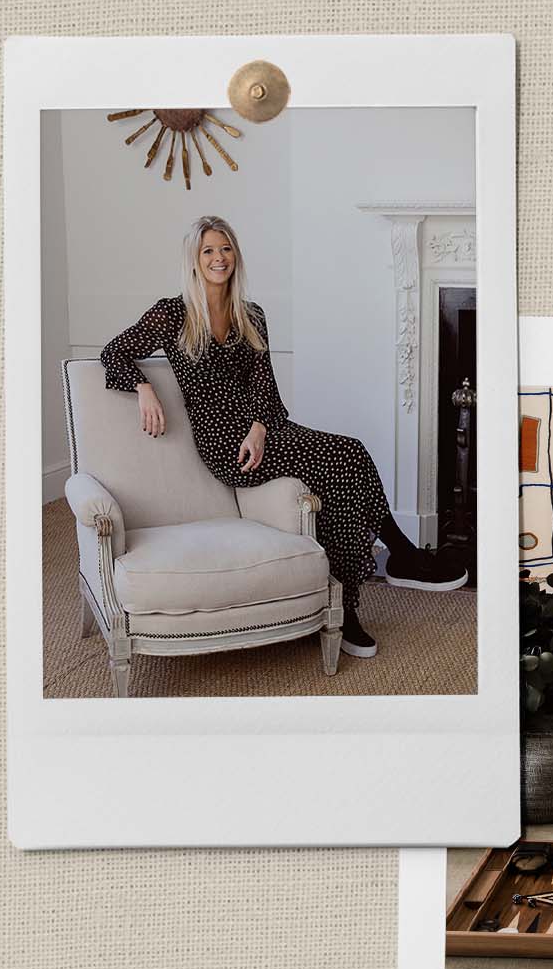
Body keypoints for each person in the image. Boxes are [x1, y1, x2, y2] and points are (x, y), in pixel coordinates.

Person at [101, 215, 466, 658]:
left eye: (226, 249)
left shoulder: (251, 315)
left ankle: (348, 606)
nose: (219, 259)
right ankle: (397, 561)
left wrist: (259, 428)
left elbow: (266, 391)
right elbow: (113, 352)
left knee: (342, 472)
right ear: (194, 261)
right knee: (347, 455)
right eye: (209, 251)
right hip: (221, 444)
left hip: (265, 432)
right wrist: (144, 388)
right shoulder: (173, 314)